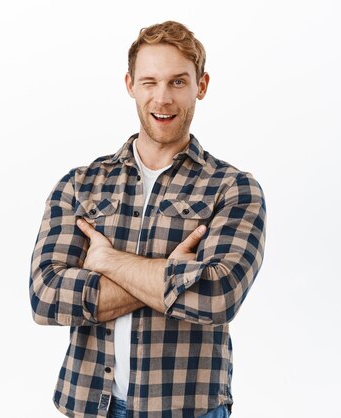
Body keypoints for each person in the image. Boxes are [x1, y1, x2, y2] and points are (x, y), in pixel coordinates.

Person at [29, 20, 266, 418]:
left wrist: (108, 263)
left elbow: (218, 296)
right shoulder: (81, 185)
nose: (162, 98)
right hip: (89, 405)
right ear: (130, 85)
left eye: (178, 82)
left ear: (201, 86)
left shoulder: (234, 190)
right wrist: (171, 276)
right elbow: (46, 296)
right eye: (149, 82)